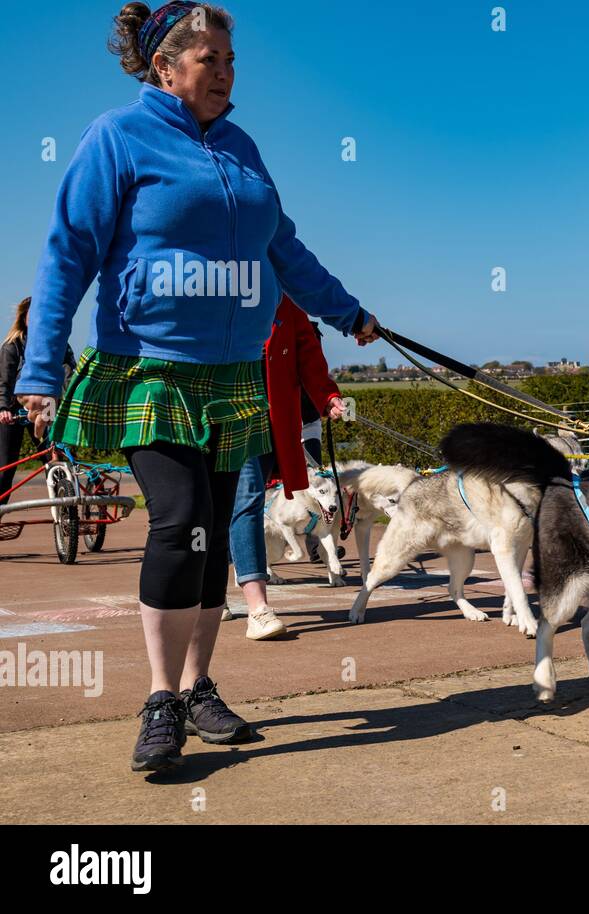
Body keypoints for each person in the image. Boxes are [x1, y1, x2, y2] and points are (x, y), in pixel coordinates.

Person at [15, 2, 381, 773]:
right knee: (177, 519)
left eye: (230, 59)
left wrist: (345, 310)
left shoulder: (243, 147)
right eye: (209, 59)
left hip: (235, 376)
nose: (225, 73)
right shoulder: (118, 136)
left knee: (213, 528)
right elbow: (67, 255)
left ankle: (198, 685)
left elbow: (283, 244)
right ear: (166, 67)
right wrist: (42, 368)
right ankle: (159, 699)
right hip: (149, 366)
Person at [226, 295, 348, 641]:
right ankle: (255, 606)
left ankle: (253, 608)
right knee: (240, 503)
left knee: (245, 504)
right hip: (229, 420)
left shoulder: (288, 306)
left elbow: (308, 354)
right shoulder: (216, 293)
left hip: (278, 425)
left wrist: (328, 396)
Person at [0, 298, 75, 505]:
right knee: (6, 468)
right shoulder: (12, 346)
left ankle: (67, 515)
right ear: (24, 318)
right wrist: (3, 408)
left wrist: (71, 402)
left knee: (56, 459)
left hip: (46, 405)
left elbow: (69, 373)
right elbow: (4, 381)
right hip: (14, 411)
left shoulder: (58, 344)